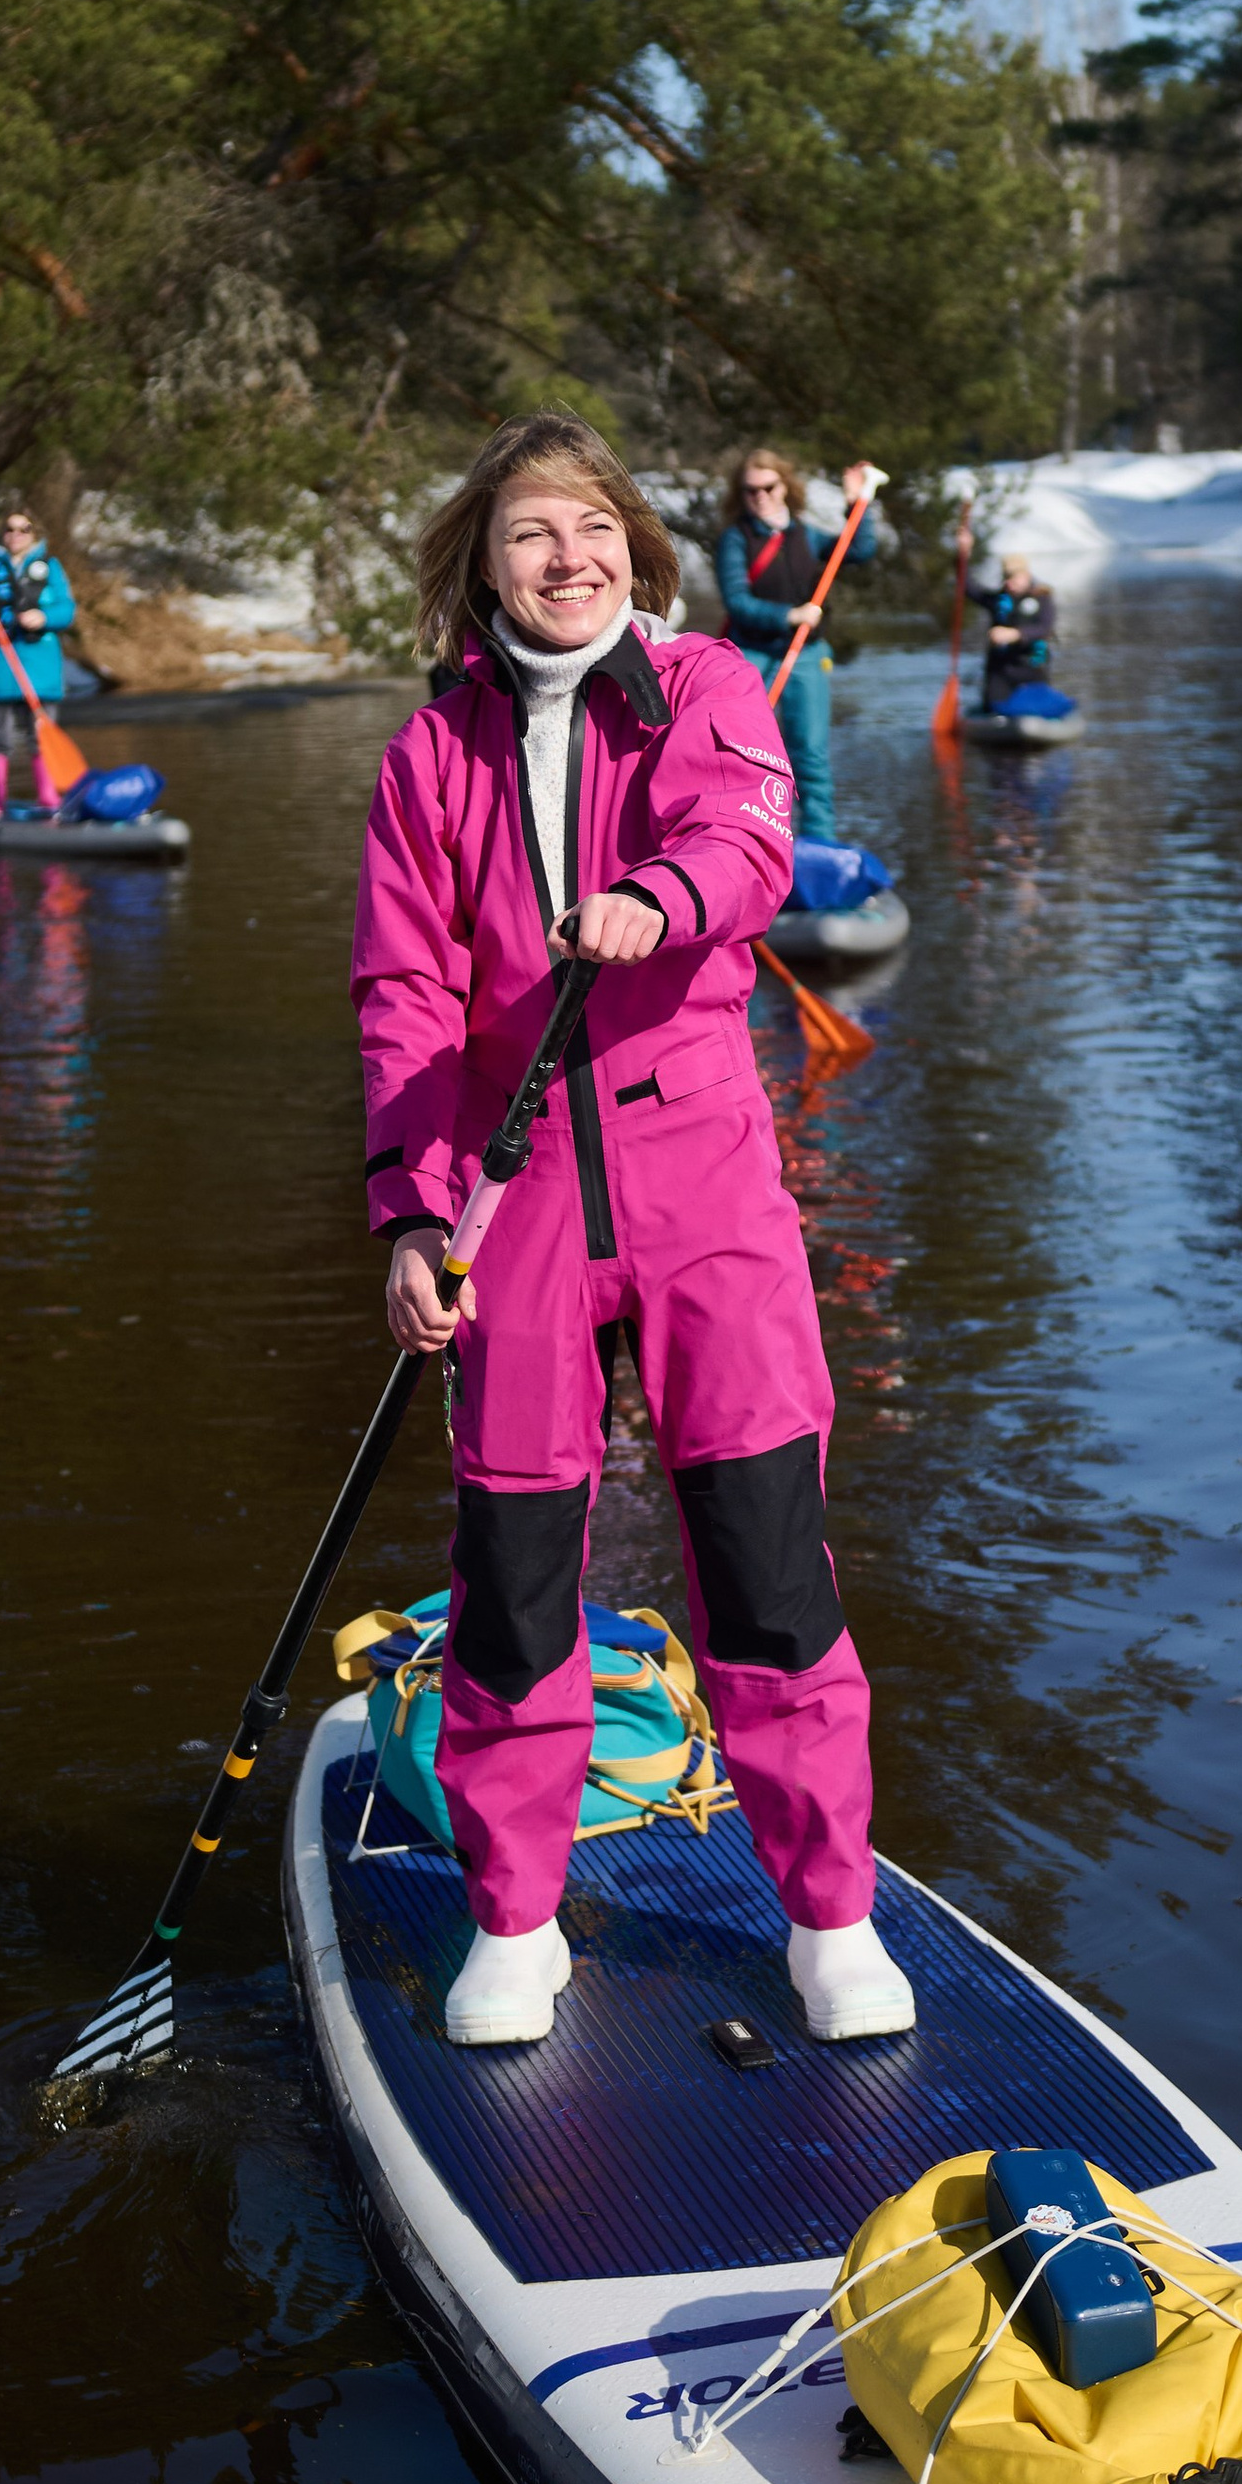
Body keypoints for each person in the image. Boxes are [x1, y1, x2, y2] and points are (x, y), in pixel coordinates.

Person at [356, 411, 913, 2053]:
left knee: (765, 1563)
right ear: (483, 561)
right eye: (532, 531)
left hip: (704, 1187)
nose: (569, 555)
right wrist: (408, 1214)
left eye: (593, 527)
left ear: (636, 549)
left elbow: (743, 839)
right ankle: (517, 1923)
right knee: (514, 1580)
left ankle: (828, 1915)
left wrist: (656, 901)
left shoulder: (707, 691)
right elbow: (403, 1006)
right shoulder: (426, 756)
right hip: (508, 1206)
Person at [714, 448, 880, 845]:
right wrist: (788, 616)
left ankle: (821, 845)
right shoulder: (735, 539)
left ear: (784, 486)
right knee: (752, 756)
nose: (760, 496)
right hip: (752, 656)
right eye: (750, 490)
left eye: (768, 487)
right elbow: (737, 602)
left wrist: (858, 501)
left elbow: (858, 550)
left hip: (806, 656)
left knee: (810, 754)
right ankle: (754, 846)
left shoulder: (804, 534)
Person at [0, 505, 76, 818]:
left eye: (24, 529)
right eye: (10, 529)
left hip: (40, 667)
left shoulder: (50, 566)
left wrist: (44, 616)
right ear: (1, 534)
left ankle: (49, 798)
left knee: (40, 735)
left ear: (33, 534)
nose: (16, 535)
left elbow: (67, 610)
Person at [980, 555, 1056, 714]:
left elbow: (1044, 628)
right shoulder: (997, 600)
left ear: (1025, 576)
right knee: (994, 705)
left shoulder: (1042, 598)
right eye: (1005, 579)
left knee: (1036, 708)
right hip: (1002, 670)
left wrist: (1014, 634)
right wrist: (963, 552)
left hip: (1032, 668)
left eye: (1013, 578)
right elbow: (969, 588)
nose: (1009, 583)